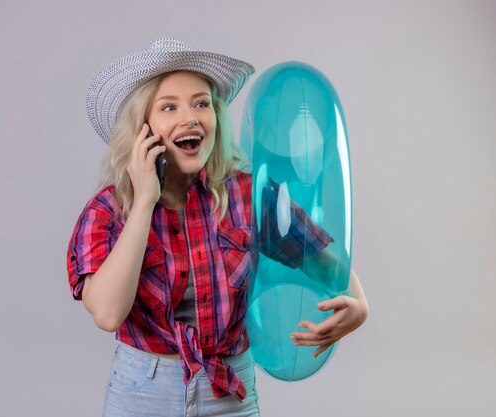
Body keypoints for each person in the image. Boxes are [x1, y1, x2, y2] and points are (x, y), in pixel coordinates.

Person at [66, 37, 369, 416]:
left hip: (229, 392)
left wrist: (359, 304)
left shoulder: (248, 195)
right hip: (143, 393)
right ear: (143, 129)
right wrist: (144, 201)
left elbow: (325, 261)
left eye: (201, 103)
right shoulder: (108, 211)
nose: (189, 118)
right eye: (169, 107)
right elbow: (108, 314)